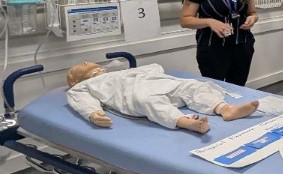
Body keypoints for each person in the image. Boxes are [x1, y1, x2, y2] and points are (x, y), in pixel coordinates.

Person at [66, 62, 259, 134]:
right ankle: (186, 122)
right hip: (135, 93)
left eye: (99, 68)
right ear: (75, 81)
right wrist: (93, 113)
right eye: (90, 70)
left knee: (192, 86)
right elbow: (80, 99)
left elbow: (156, 68)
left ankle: (225, 109)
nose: (88, 64)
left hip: (162, 83)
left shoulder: (121, 71)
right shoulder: (83, 86)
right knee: (150, 101)